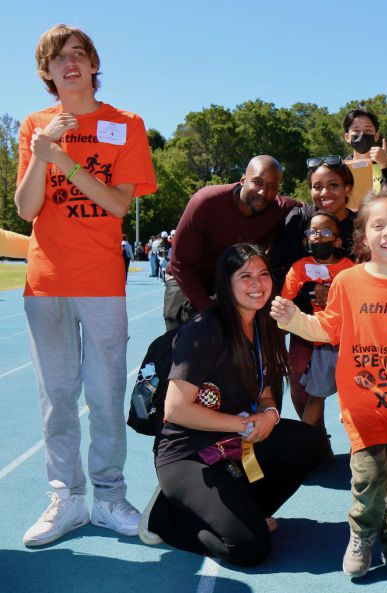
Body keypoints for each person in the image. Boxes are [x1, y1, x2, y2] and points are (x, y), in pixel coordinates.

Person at [15, 24, 157, 547]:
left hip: (100, 280)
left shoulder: (126, 123)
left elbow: (118, 204)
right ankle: (67, 498)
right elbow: (28, 208)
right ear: (46, 73)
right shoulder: (34, 124)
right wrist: (44, 148)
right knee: (56, 396)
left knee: (104, 393)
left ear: (94, 64)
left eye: (79, 54)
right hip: (46, 280)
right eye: (58, 58)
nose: (69, 63)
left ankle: (109, 496)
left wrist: (64, 160)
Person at [271, 192, 387, 579]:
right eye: (378, 226)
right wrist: (293, 318)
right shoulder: (348, 282)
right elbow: (326, 328)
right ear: (363, 237)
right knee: (369, 477)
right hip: (365, 405)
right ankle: (361, 535)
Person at [141, 243, 329, 566]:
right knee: (250, 548)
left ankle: (246, 512)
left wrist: (269, 413)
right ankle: (165, 517)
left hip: (234, 441)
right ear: (226, 283)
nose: (257, 284)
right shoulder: (205, 330)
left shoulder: (263, 323)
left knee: (312, 446)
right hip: (189, 453)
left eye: (263, 274)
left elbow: (267, 385)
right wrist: (243, 425)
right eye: (245, 276)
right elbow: (175, 409)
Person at [163, 155, 300, 331]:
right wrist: (212, 311)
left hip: (232, 281)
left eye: (272, 186)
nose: (263, 192)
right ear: (243, 180)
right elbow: (180, 263)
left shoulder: (281, 209)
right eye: (257, 182)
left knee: (252, 334)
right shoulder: (206, 203)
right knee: (184, 337)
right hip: (188, 277)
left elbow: (317, 212)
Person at [270, 156, 357, 421]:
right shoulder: (299, 219)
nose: (325, 193)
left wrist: (336, 294)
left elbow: (372, 275)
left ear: (348, 188)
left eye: (333, 185)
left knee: (358, 389)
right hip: (306, 324)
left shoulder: (362, 224)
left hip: (353, 325)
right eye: (317, 186)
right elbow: (280, 267)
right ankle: (316, 445)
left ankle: (364, 446)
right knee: (300, 387)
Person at [281, 210, 354, 428]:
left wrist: (332, 292)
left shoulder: (350, 268)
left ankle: (361, 449)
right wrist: (308, 290)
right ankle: (307, 443)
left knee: (354, 397)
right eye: (313, 232)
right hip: (320, 343)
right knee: (315, 395)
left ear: (338, 240)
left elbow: (359, 299)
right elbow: (286, 301)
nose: (318, 237)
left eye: (325, 231)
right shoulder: (298, 268)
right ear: (306, 239)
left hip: (349, 343)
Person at [342, 108, 387, 208]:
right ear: (347, 137)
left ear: (376, 136)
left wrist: (385, 167)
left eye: (368, 130)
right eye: (356, 130)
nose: (362, 135)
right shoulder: (339, 170)